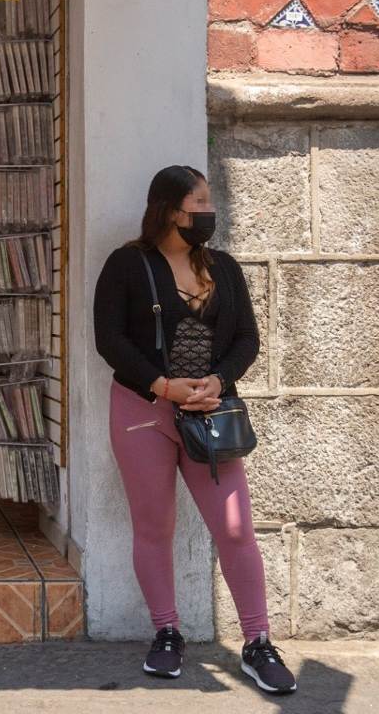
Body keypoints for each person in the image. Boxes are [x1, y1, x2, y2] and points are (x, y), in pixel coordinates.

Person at [92, 165, 297, 695]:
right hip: (143, 410)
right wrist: (163, 385)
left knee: (233, 528)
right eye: (198, 204)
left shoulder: (224, 269)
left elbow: (247, 339)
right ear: (167, 210)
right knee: (154, 526)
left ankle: (257, 642)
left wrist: (216, 380)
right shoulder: (127, 265)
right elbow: (110, 339)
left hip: (211, 414)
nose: (208, 213)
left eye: (209, 203)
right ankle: (167, 632)